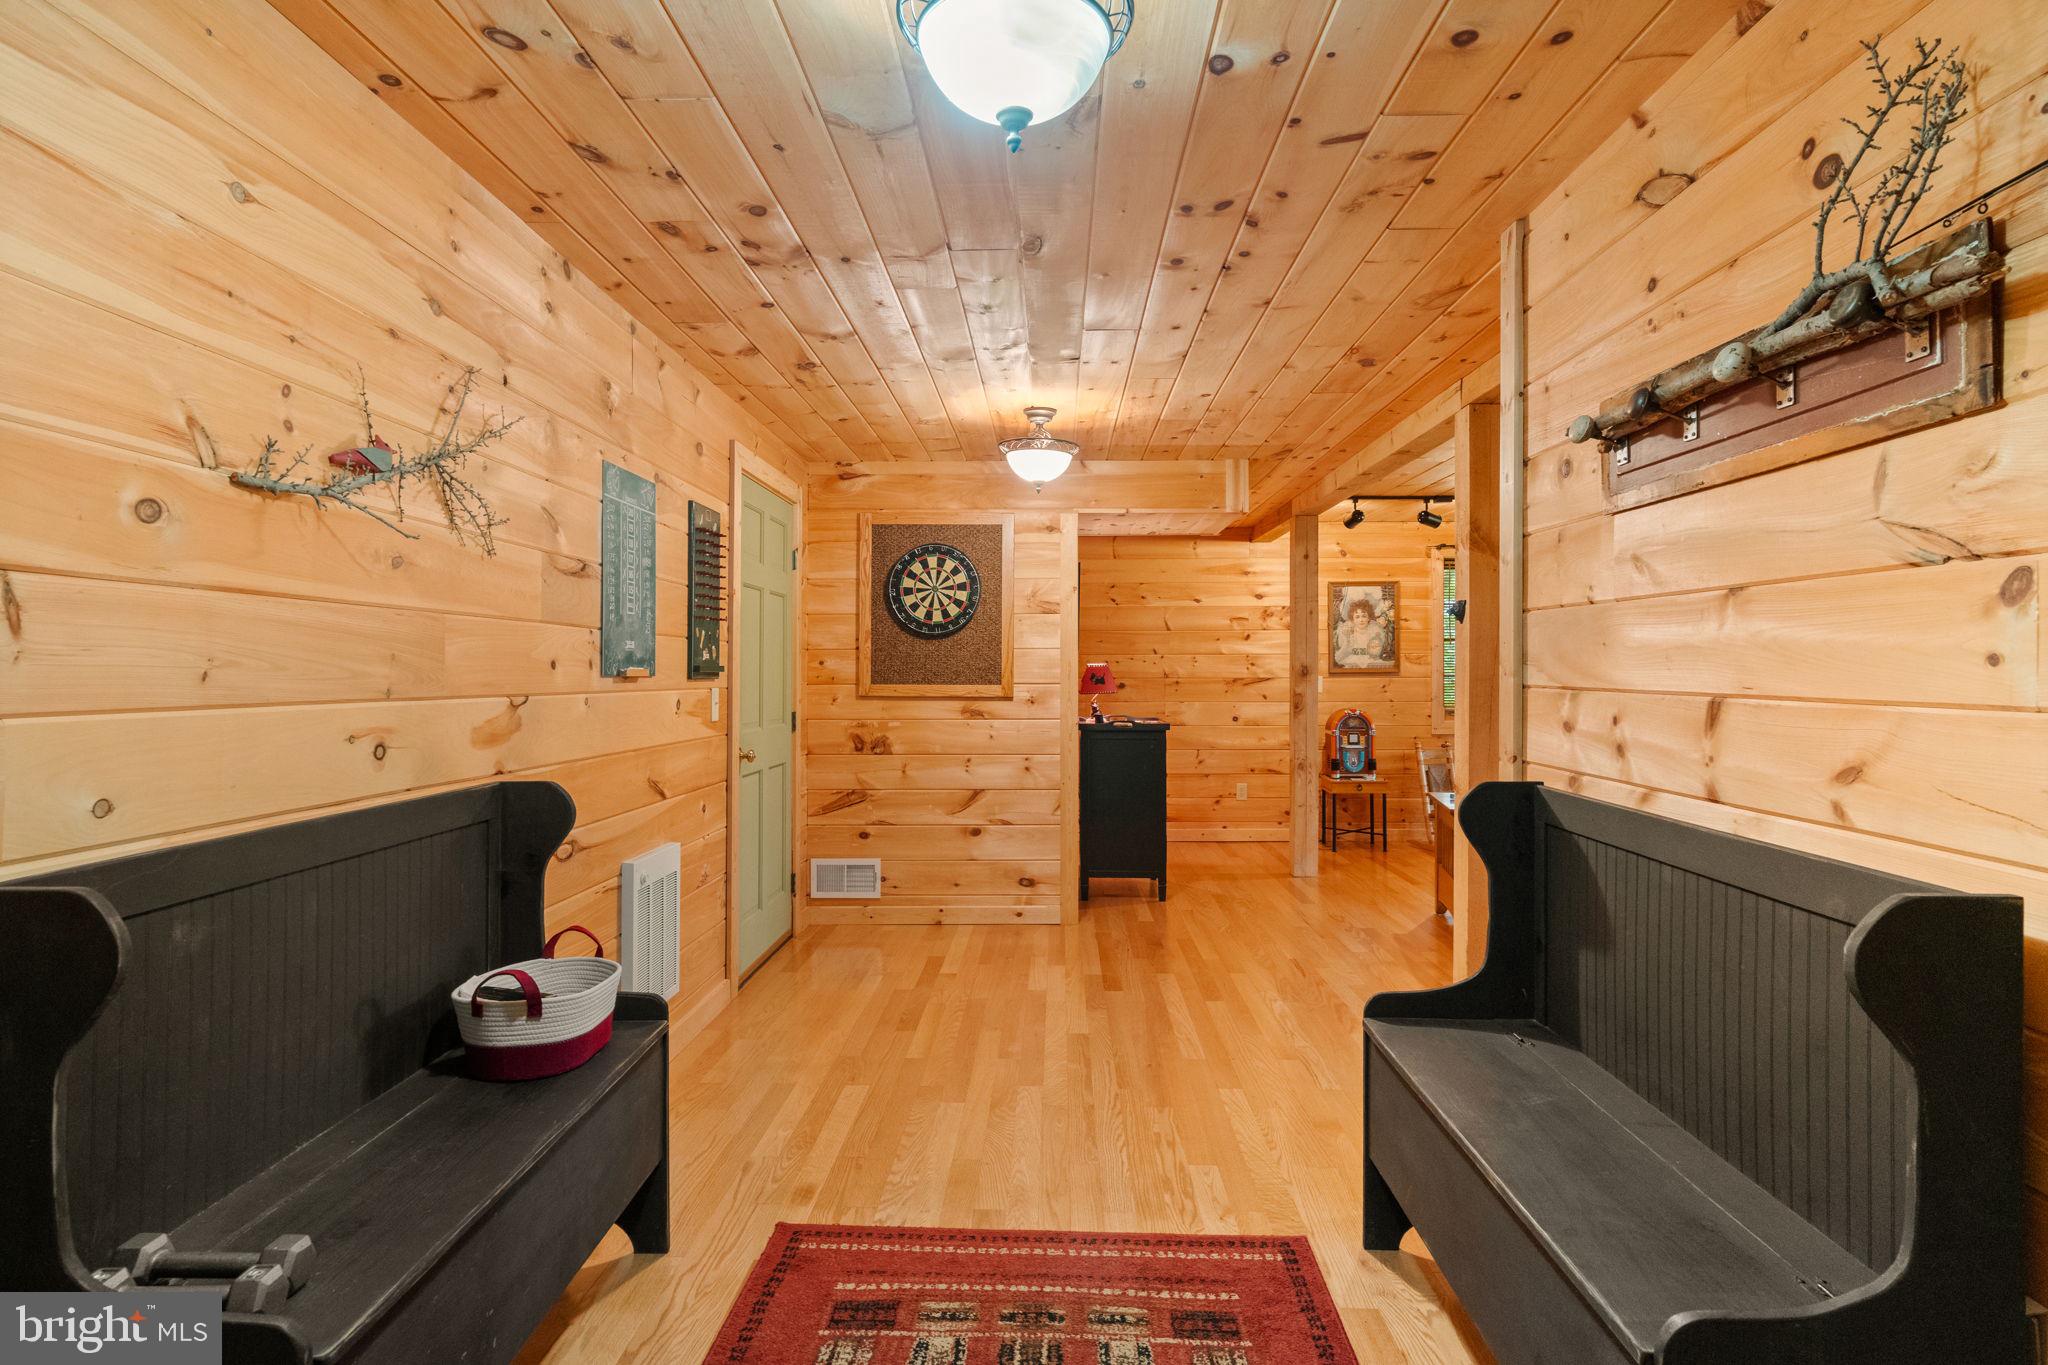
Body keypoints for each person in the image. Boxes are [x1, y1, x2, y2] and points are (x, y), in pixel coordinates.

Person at [1334, 593, 1390, 668]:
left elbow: (1376, 651)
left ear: (1369, 618)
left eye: (1364, 616)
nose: (1361, 620)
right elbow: (1344, 651)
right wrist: (1348, 641)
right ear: (1353, 620)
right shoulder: (1350, 633)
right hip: (1352, 659)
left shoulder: (1373, 631)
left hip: (1371, 660)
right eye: (1357, 617)